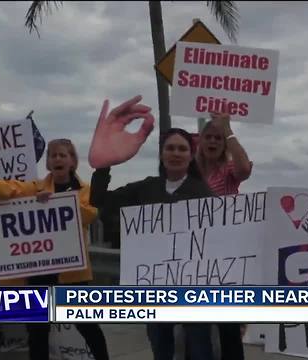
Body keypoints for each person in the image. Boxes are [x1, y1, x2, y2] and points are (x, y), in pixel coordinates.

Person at [88, 95, 214, 360]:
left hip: (195, 287)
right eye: (170, 148)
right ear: (161, 153)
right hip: (155, 287)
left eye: (182, 149)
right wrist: (104, 165)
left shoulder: (203, 194)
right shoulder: (146, 188)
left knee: (200, 349)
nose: (176, 153)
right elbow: (100, 201)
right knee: (160, 346)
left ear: (191, 156)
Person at [0, 139, 109, 360]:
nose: (57, 159)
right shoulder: (34, 188)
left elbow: (90, 214)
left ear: (72, 161)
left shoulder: (86, 190)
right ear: (48, 163)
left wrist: (58, 202)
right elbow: (10, 189)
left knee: (88, 326)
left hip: (73, 274)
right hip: (39, 272)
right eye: (53, 155)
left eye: (62, 155)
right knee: (37, 331)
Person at [195, 112, 252, 360]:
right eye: (209, 137)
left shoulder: (227, 171)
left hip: (226, 259)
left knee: (228, 327)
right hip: (196, 258)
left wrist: (228, 129)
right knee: (197, 330)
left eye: (218, 138)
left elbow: (244, 169)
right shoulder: (192, 174)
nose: (213, 142)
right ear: (200, 141)